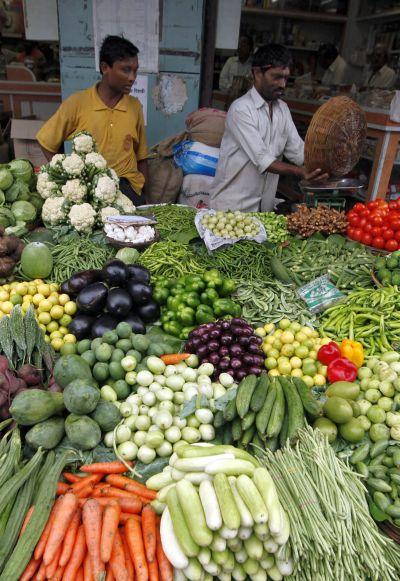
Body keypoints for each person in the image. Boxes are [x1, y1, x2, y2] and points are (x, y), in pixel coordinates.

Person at [209, 44, 327, 212]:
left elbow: (298, 151)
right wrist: (300, 172)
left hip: (264, 208)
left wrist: (323, 166)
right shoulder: (241, 109)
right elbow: (262, 159)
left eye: (286, 78)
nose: (283, 84)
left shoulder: (283, 109)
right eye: (277, 77)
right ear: (257, 74)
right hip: (232, 208)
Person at [36, 35, 148, 205]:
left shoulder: (135, 107)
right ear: (105, 68)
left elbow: (141, 157)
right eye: (126, 70)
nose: (132, 77)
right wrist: (67, 176)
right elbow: (46, 141)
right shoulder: (77, 103)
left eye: (135, 70)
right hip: (90, 193)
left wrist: (144, 195)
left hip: (127, 188)